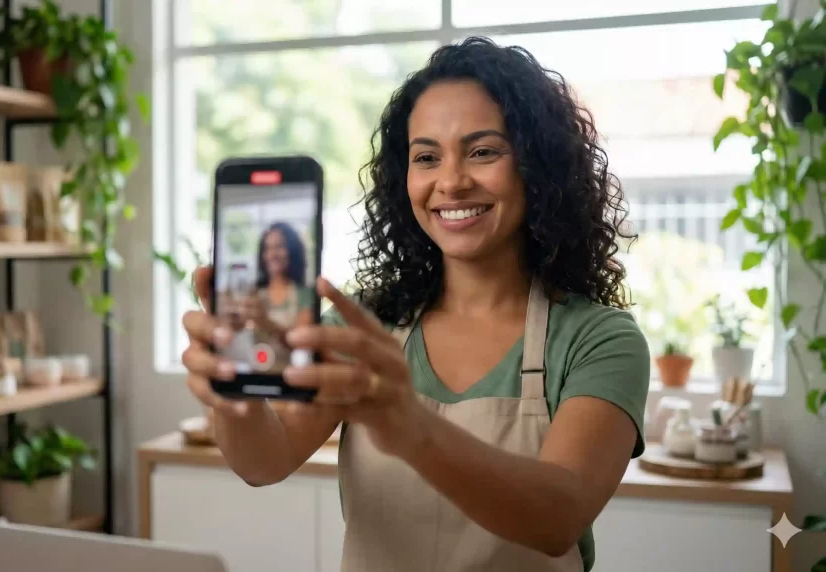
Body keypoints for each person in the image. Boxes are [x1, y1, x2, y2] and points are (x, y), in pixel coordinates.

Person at [182, 36, 649, 572]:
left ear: (537, 167)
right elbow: (264, 461)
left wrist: (409, 425)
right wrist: (231, 392)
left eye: (483, 151)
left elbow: (557, 517)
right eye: (426, 157)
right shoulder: (366, 330)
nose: (450, 182)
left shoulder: (600, 341)